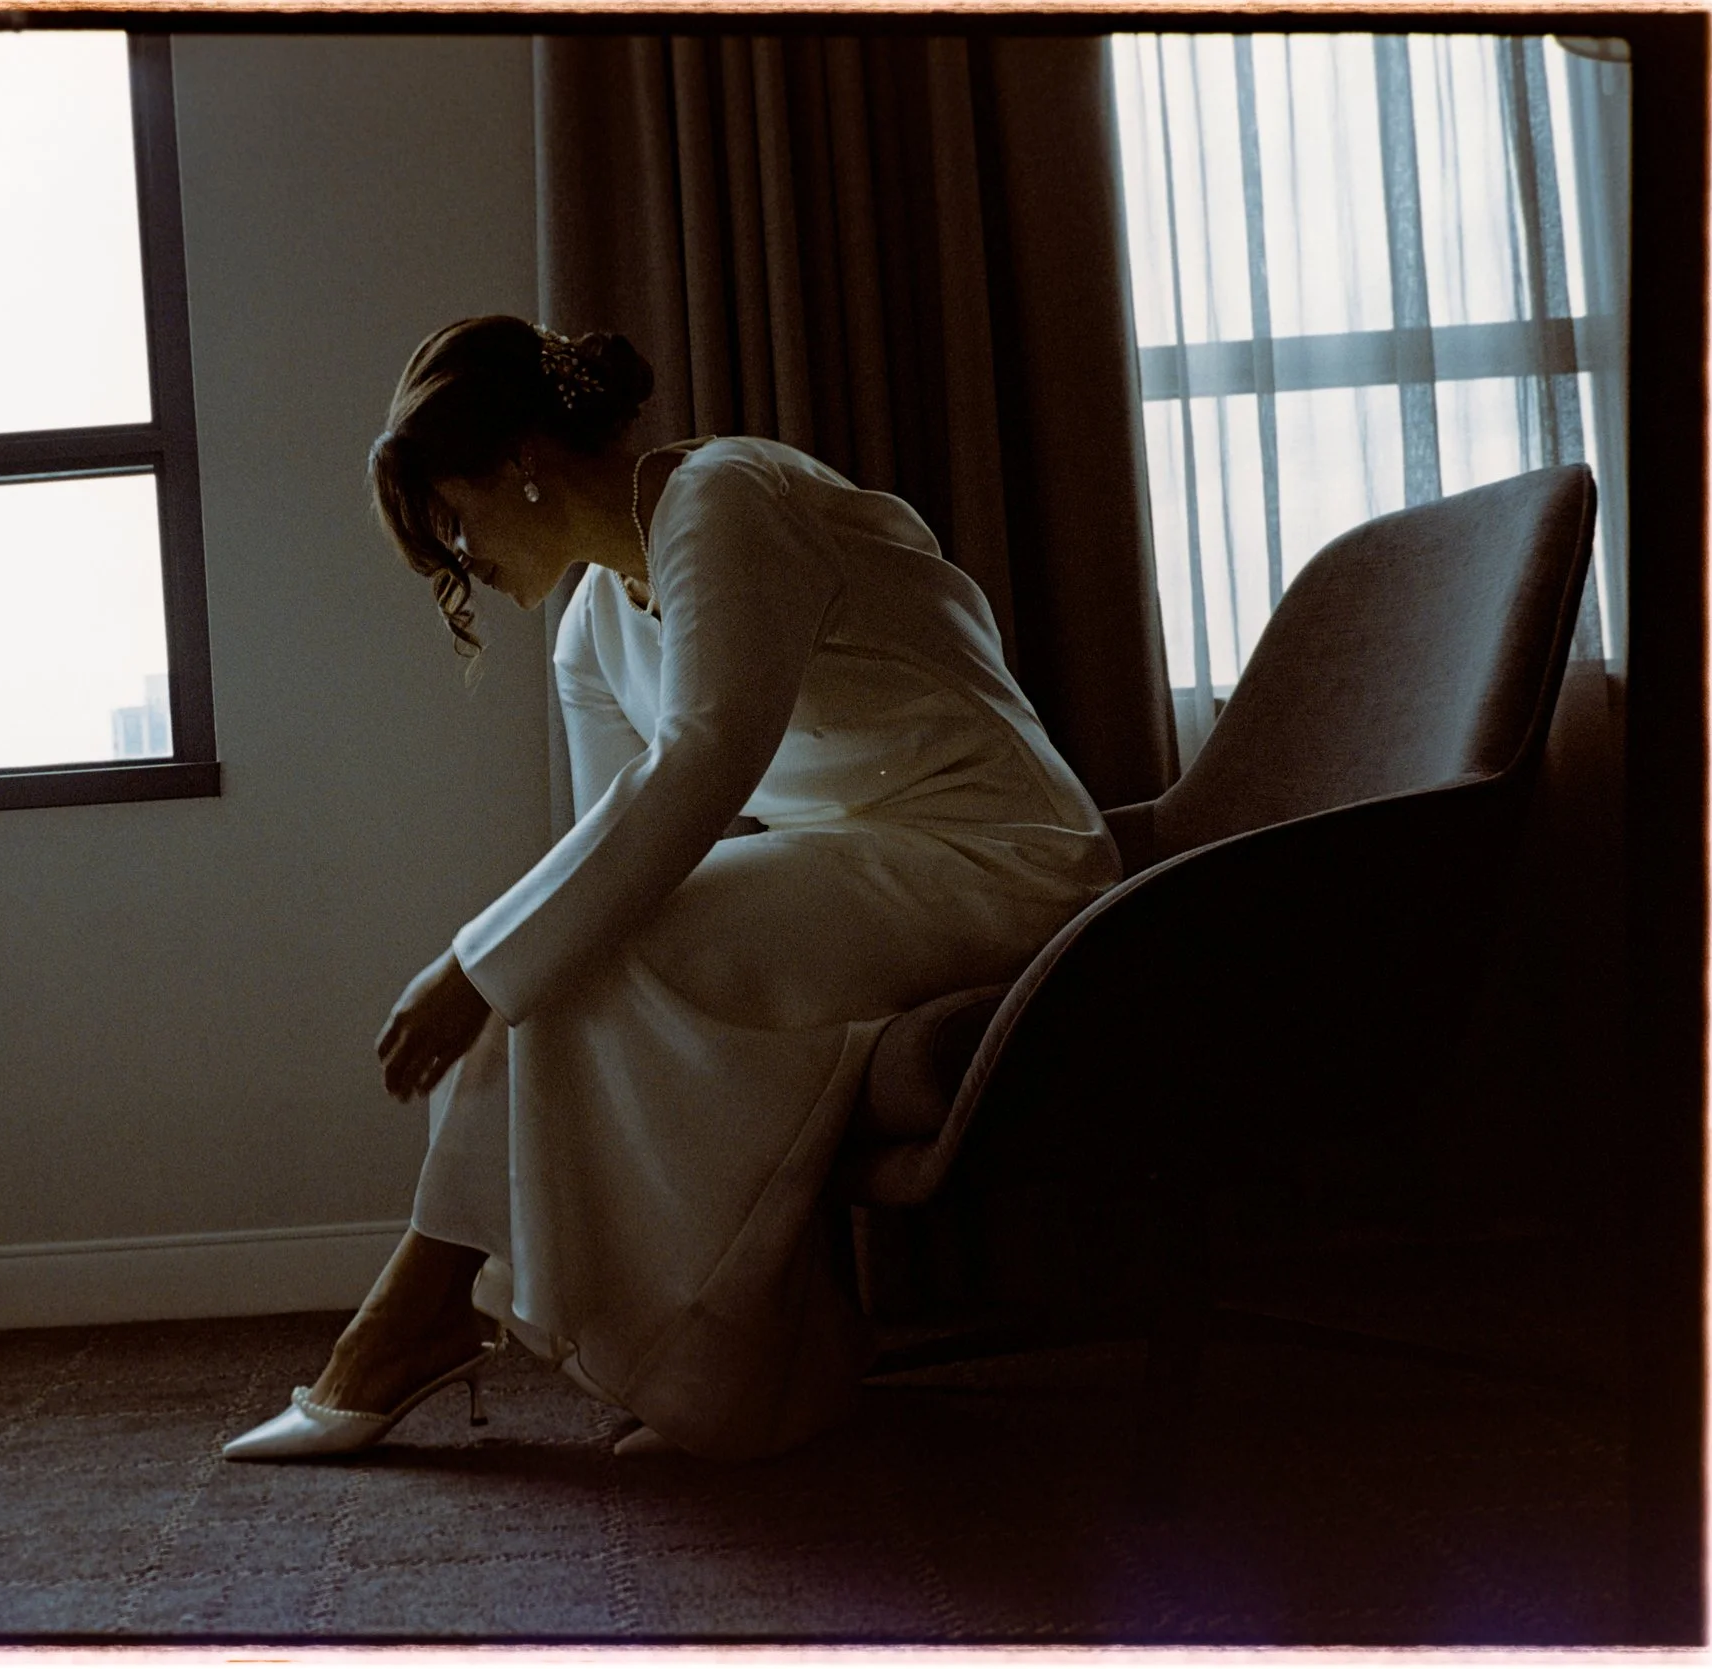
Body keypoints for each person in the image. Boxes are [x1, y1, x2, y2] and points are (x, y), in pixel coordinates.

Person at [223, 317, 1121, 1463]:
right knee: (582, 957)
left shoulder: (727, 497)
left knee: (561, 957)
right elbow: (628, 855)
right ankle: (748, 1359)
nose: (465, 559)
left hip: (999, 857)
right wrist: (502, 966)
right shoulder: (591, 620)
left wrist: (473, 966)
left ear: (522, 465)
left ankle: (416, 1317)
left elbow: (701, 767)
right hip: (851, 870)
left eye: (459, 517)